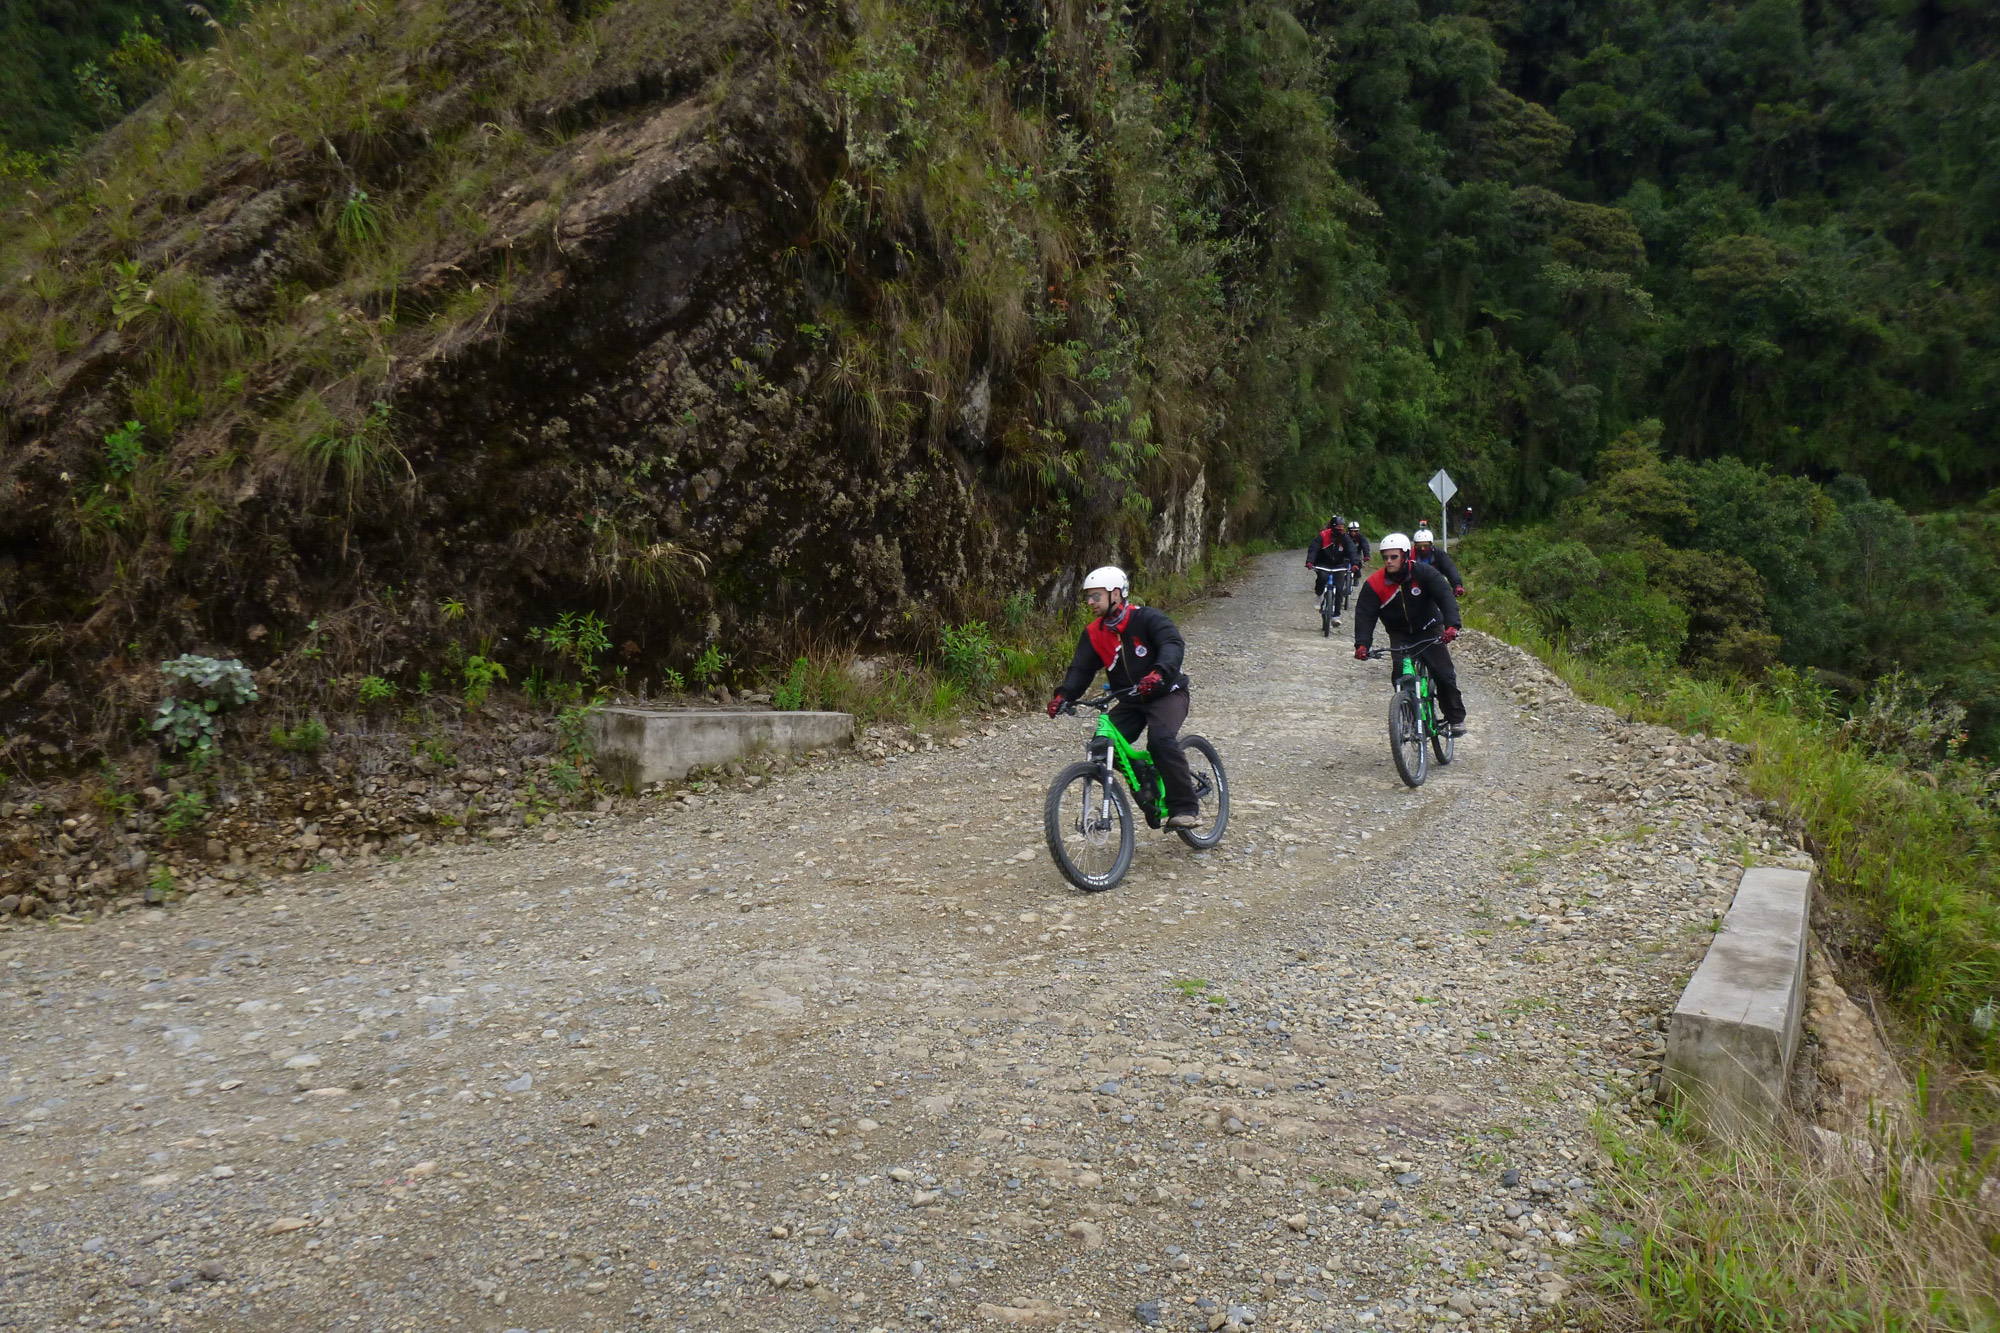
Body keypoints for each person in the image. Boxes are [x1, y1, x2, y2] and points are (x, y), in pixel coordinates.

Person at [1047, 565, 1200, 829]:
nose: (1090, 602)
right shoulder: (1094, 633)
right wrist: (1064, 695)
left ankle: (1184, 807)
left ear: (1115, 593)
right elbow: (1081, 670)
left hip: (1167, 692)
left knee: (1160, 740)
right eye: (1088, 597)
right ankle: (1145, 782)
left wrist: (1159, 673)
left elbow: (1172, 645)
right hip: (1131, 699)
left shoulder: (1148, 618)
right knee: (1101, 745)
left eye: (1096, 596)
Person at [1353, 533, 1467, 736]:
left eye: (1393, 557)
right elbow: (1364, 615)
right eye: (1385, 557)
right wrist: (1362, 645)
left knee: (1443, 674)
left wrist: (1452, 626)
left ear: (1405, 555)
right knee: (1400, 675)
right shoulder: (1375, 584)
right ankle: (1409, 718)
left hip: (1429, 628)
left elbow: (1445, 596)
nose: (1389, 561)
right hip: (1400, 634)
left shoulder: (1424, 573)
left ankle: (1455, 719)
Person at [1305, 515, 1356, 601]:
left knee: (1340, 588)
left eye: (1342, 527)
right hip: (1324, 564)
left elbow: (1352, 550)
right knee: (1322, 578)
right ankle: (1319, 594)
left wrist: (1355, 563)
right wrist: (1310, 561)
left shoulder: (1345, 538)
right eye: (1338, 527)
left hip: (1339, 565)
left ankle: (1336, 613)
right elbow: (1314, 549)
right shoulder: (1323, 535)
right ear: (1333, 526)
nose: (1340, 529)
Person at [1411, 527, 1464, 596]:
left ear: (1431, 545)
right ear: (1415, 545)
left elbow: (1450, 568)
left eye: (1426, 546)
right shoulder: (1410, 555)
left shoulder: (1439, 555)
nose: (1422, 549)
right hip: (1415, 589)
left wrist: (1457, 585)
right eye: (1419, 546)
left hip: (1436, 587)